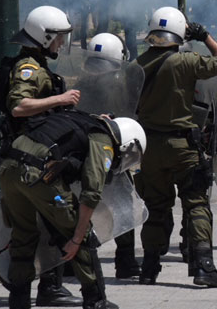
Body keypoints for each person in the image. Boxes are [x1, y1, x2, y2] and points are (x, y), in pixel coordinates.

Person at [0, 110, 146, 309]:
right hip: (37, 172)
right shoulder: (103, 139)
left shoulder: (82, 120)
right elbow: (92, 190)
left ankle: (18, 300)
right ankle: (96, 301)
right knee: (81, 233)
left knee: (23, 234)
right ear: (126, 142)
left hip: (7, 168)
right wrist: (77, 237)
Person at [134, 6, 217, 288]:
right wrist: (205, 36)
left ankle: (149, 268)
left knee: (155, 207)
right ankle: (203, 268)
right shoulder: (186, 61)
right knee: (196, 203)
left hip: (149, 148)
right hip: (182, 147)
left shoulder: (136, 65)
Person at [0, 6, 83, 307]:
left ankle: (32, 292)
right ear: (44, 37)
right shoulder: (29, 68)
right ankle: (49, 288)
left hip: (33, 154)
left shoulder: (37, 64)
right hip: (30, 158)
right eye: (58, 38)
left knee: (34, 229)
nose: (61, 43)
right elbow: (18, 106)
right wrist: (60, 98)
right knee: (53, 224)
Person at [78, 33, 142, 280]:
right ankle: (125, 260)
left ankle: (76, 259)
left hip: (85, 151)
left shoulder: (82, 82)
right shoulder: (119, 84)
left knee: (81, 202)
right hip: (113, 152)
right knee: (123, 204)